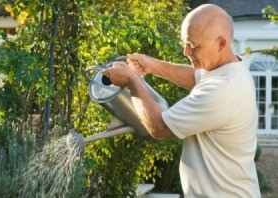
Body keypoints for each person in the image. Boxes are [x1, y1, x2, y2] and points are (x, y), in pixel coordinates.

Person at [103, 4, 261, 198]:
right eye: (185, 44)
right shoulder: (229, 69)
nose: (186, 52)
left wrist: (132, 82)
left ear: (221, 44)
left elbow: (159, 127)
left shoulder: (222, 91)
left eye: (194, 46)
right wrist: (152, 65)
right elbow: (196, 75)